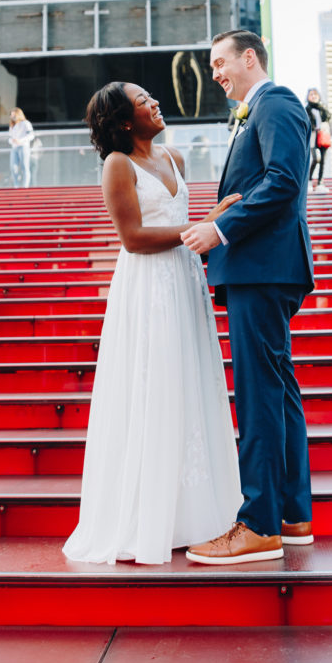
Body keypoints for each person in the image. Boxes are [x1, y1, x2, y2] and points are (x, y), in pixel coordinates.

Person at [63, 82, 242, 565]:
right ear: (124, 120)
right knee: (155, 388)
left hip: (185, 284)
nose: (155, 103)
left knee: (190, 387)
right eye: (144, 101)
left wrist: (204, 224)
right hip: (147, 290)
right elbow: (134, 238)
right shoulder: (117, 165)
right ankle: (148, 518)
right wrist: (204, 224)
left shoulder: (175, 158)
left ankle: (197, 514)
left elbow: (183, 224)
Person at [181, 29, 314, 565]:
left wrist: (222, 229)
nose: (215, 74)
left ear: (249, 58)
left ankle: (258, 524)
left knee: (260, 392)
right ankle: (291, 513)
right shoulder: (256, 112)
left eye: (220, 62)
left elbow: (284, 181)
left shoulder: (275, 103)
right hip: (264, 266)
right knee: (277, 388)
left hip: (261, 266)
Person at [305, 87, 332, 194]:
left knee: (323, 161)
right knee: (316, 158)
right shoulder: (306, 110)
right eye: (311, 94)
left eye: (315, 94)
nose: (313, 96)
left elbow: (330, 122)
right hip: (313, 136)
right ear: (308, 97)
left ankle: (320, 183)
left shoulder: (323, 109)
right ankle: (308, 181)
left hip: (324, 135)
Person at [8, 108, 34, 188]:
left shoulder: (26, 123)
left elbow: (31, 135)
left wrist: (21, 140)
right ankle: (16, 185)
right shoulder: (12, 126)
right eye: (11, 115)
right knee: (13, 167)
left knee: (24, 166)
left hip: (23, 146)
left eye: (14, 115)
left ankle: (25, 186)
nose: (13, 117)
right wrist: (12, 141)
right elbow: (10, 137)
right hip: (15, 147)